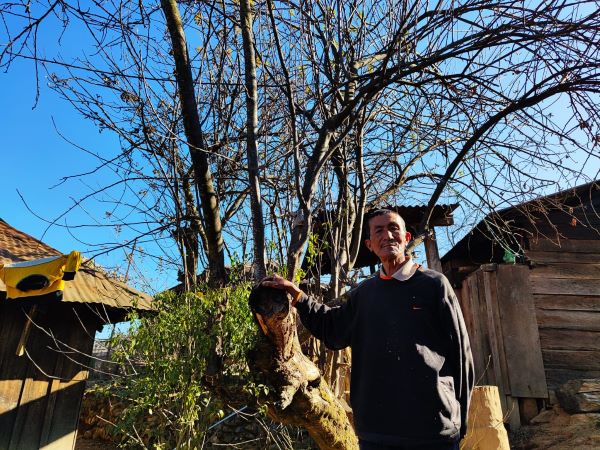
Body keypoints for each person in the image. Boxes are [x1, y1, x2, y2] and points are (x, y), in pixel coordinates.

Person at [262, 209, 474, 450]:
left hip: (433, 432)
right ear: (370, 245)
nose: (387, 235)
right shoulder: (363, 295)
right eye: (379, 231)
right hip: (377, 434)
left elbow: (462, 356)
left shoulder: (434, 285)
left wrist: (460, 421)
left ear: (406, 238)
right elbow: (333, 329)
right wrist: (297, 296)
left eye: (394, 228)